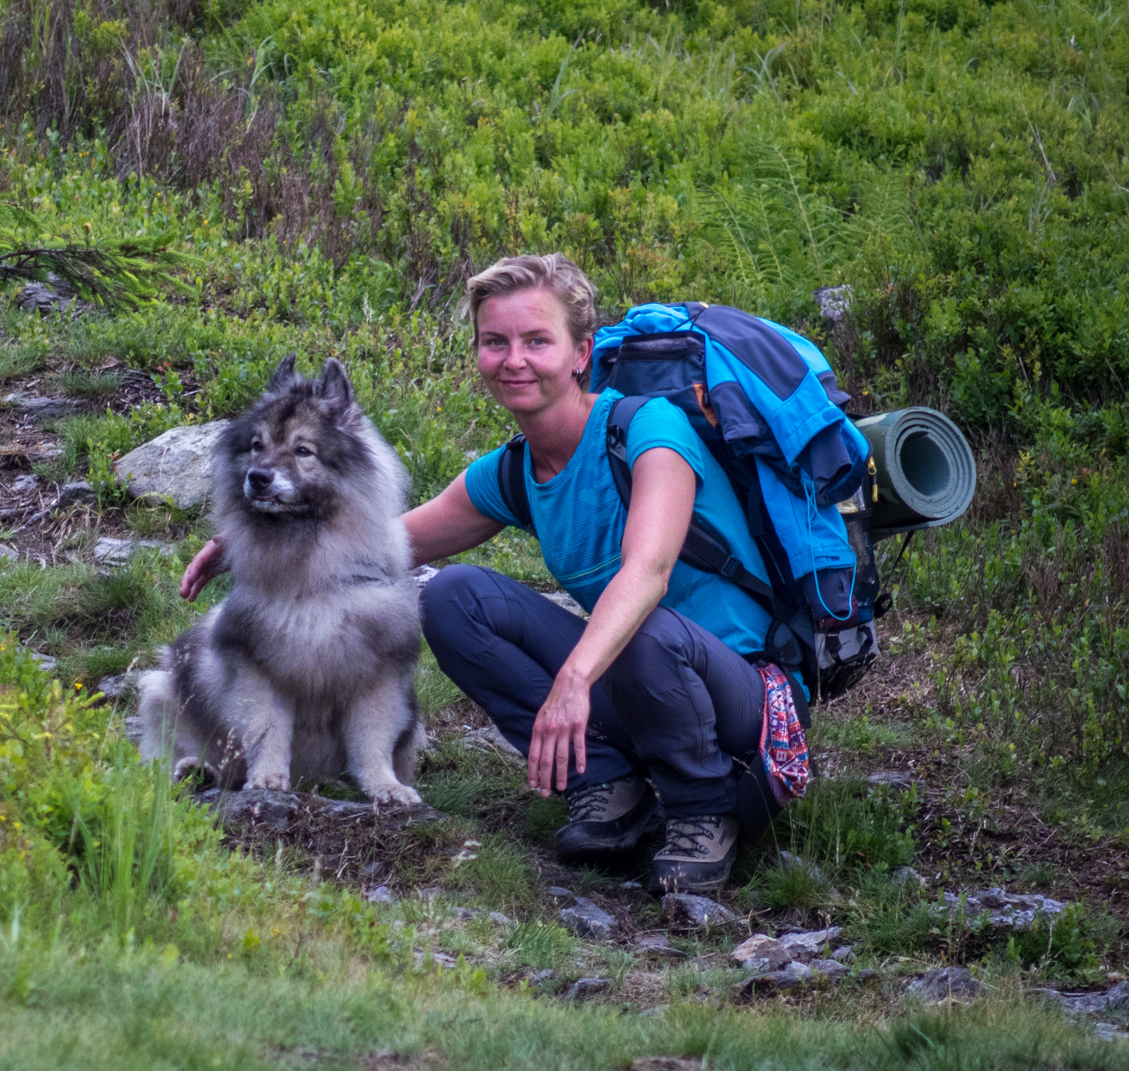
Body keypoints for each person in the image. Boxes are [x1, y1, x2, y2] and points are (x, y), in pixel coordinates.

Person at [179, 253, 783, 892]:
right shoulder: (518, 468)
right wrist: (255, 530)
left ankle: (702, 810)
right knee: (453, 596)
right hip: (642, 678)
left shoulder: (651, 429)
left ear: (581, 353)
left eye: (536, 341)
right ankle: (607, 785)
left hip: (744, 695)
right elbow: (379, 543)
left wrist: (572, 681)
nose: (514, 359)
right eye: (495, 342)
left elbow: (649, 571)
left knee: (645, 627)